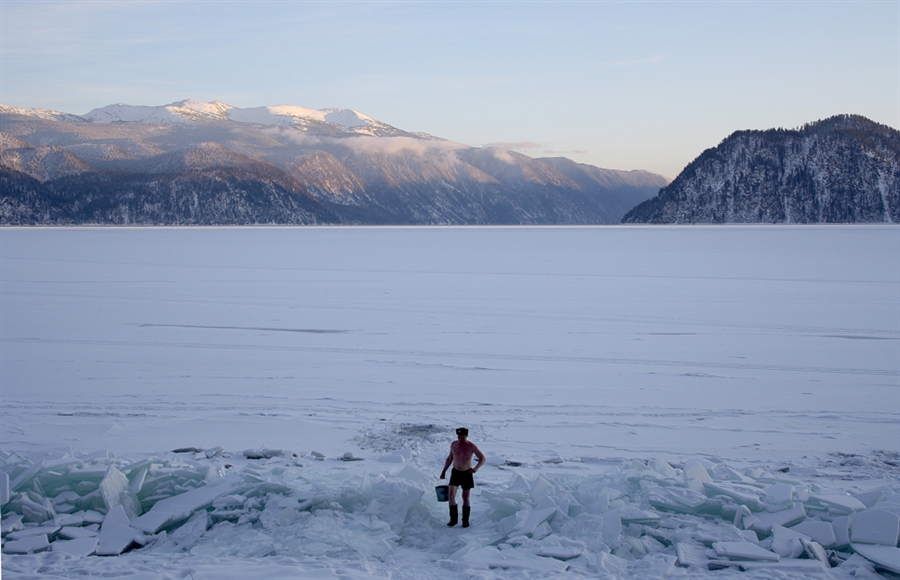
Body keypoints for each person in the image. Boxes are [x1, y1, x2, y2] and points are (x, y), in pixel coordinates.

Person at [440, 427, 485, 528]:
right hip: (455, 472)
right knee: (451, 495)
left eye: (462, 438)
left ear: (466, 436)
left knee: (465, 497)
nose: (460, 440)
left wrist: (476, 468)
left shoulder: (471, 446)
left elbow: (482, 458)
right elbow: (450, 458)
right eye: (459, 437)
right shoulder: (454, 444)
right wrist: (443, 471)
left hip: (466, 473)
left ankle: (465, 520)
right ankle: (453, 519)